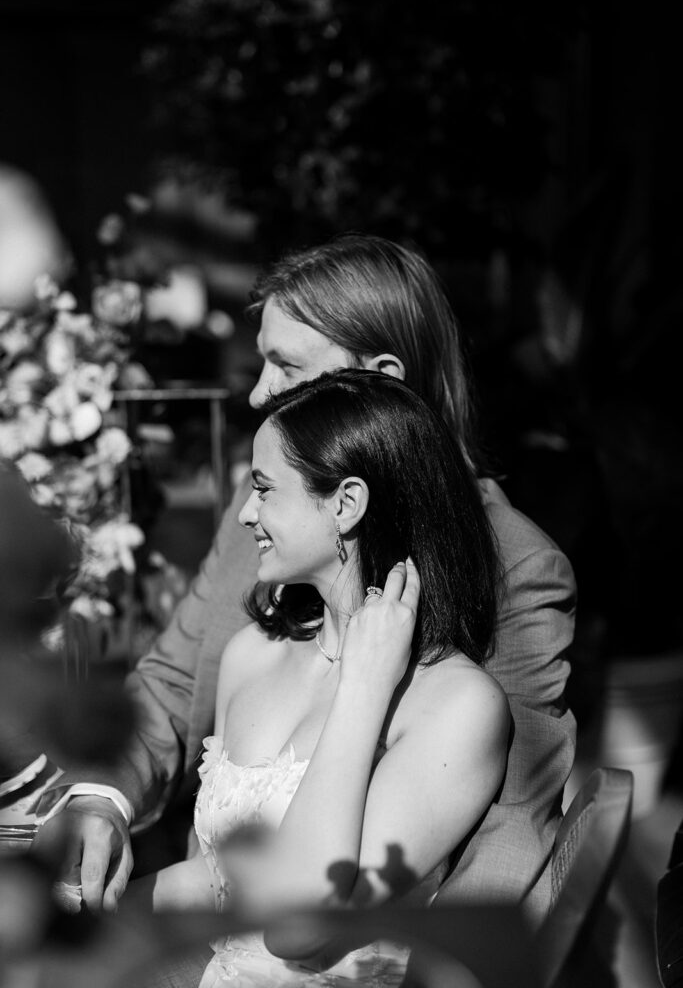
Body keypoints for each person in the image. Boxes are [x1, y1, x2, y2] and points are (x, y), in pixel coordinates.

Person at [34, 234, 576, 931]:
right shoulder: (262, 513)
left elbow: (512, 829)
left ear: (383, 378)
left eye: (284, 364)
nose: (257, 391)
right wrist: (99, 800)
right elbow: (171, 681)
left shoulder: (515, 564)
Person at [122, 370, 510, 987]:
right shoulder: (253, 654)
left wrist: (363, 686)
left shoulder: (456, 705)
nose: (246, 514)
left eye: (264, 489)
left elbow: (299, 928)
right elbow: (218, 879)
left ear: (346, 504)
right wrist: (78, 913)